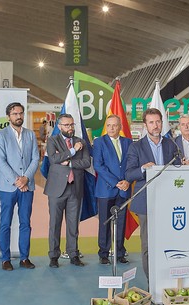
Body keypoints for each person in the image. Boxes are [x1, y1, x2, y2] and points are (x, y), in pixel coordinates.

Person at [125, 108, 179, 279]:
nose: (155, 126)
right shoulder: (136, 147)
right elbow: (129, 174)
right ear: (145, 125)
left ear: (162, 123)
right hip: (146, 200)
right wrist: (143, 168)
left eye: (158, 122)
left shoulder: (171, 144)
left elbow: (178, 168)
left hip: (169, 201)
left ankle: (166, 275)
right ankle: (152, 279)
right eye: (151, 122)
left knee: (168, 241)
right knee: (148, 243)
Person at [0, 102, 39, 271]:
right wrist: (17, 180)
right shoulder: (1, 135)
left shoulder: (30, 135)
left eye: (20, 113)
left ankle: (24, 258)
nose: (18, 116)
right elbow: (0, 161)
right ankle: (5, 259)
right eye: (14, 114)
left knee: (25, 223)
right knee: (5, 223)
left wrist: (26, 178)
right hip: (8, 187)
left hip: (27, 186)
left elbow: (35, 158)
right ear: (9, 116)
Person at [44, 114, 91, 268]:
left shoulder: (81, 141)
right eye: (66, 125)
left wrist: (68, 162)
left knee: (73, 225)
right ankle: (54, 256)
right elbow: (53, 159)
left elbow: (85, 162)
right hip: (57, 189)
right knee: (55, 224)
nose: (70, 128)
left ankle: (73, 254)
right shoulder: (52, 141)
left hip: (75, 188)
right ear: (59, 126)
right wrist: (72, 151)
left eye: (71, 125)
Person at [93, 115, 132, 265]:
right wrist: (116, 182)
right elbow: (98, 166)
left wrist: (127, 181)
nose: (111, 128)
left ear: (120, 126)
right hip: (106, 190)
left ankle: (120, 252)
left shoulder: (128, 142)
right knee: (105, 222)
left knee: (121, 222)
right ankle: (103, 253)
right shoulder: (99, 142)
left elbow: (131, 163)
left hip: (124, 188)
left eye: (115, 125)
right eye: (109, 125)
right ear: (106, 126)